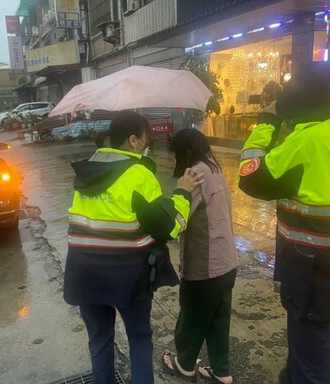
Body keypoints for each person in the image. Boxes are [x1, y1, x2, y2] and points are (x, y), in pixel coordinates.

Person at [238, 61, 330, 384]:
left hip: (313, 274)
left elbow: (250, 178)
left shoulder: (306, 142)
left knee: (311, 355)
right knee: (315, 341)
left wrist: (266, 125)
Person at [63, 110, 203, 384]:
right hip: (127, 276)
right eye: (145, 139)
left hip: (84, 273)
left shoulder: (88, 170)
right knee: (139, 338)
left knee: (100, 340)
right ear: (132, 141)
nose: (147, 144)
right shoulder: (138, 174)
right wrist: (182, 192)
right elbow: (167, 227)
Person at [161, 129, 237, 384]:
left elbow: (176, 224)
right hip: (227, 262)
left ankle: (183, 365)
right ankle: (221, 371)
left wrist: (178, 193)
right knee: (218, 319)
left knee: (191, 319)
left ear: (187, 153)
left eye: (176, 155)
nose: (175, 161)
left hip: (206, 266)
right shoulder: (214, 167)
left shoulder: (194, 175)